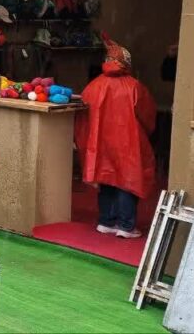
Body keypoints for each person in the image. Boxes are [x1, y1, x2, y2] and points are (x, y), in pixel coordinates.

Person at [75, 36, 156, 239]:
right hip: (129, 142)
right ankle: (126, 225)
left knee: (106, 179)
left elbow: (83, 118)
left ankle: (106, 221)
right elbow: (148, 117)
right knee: (127, 181)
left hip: (100, 142)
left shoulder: (93, 86)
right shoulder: (135, 86)